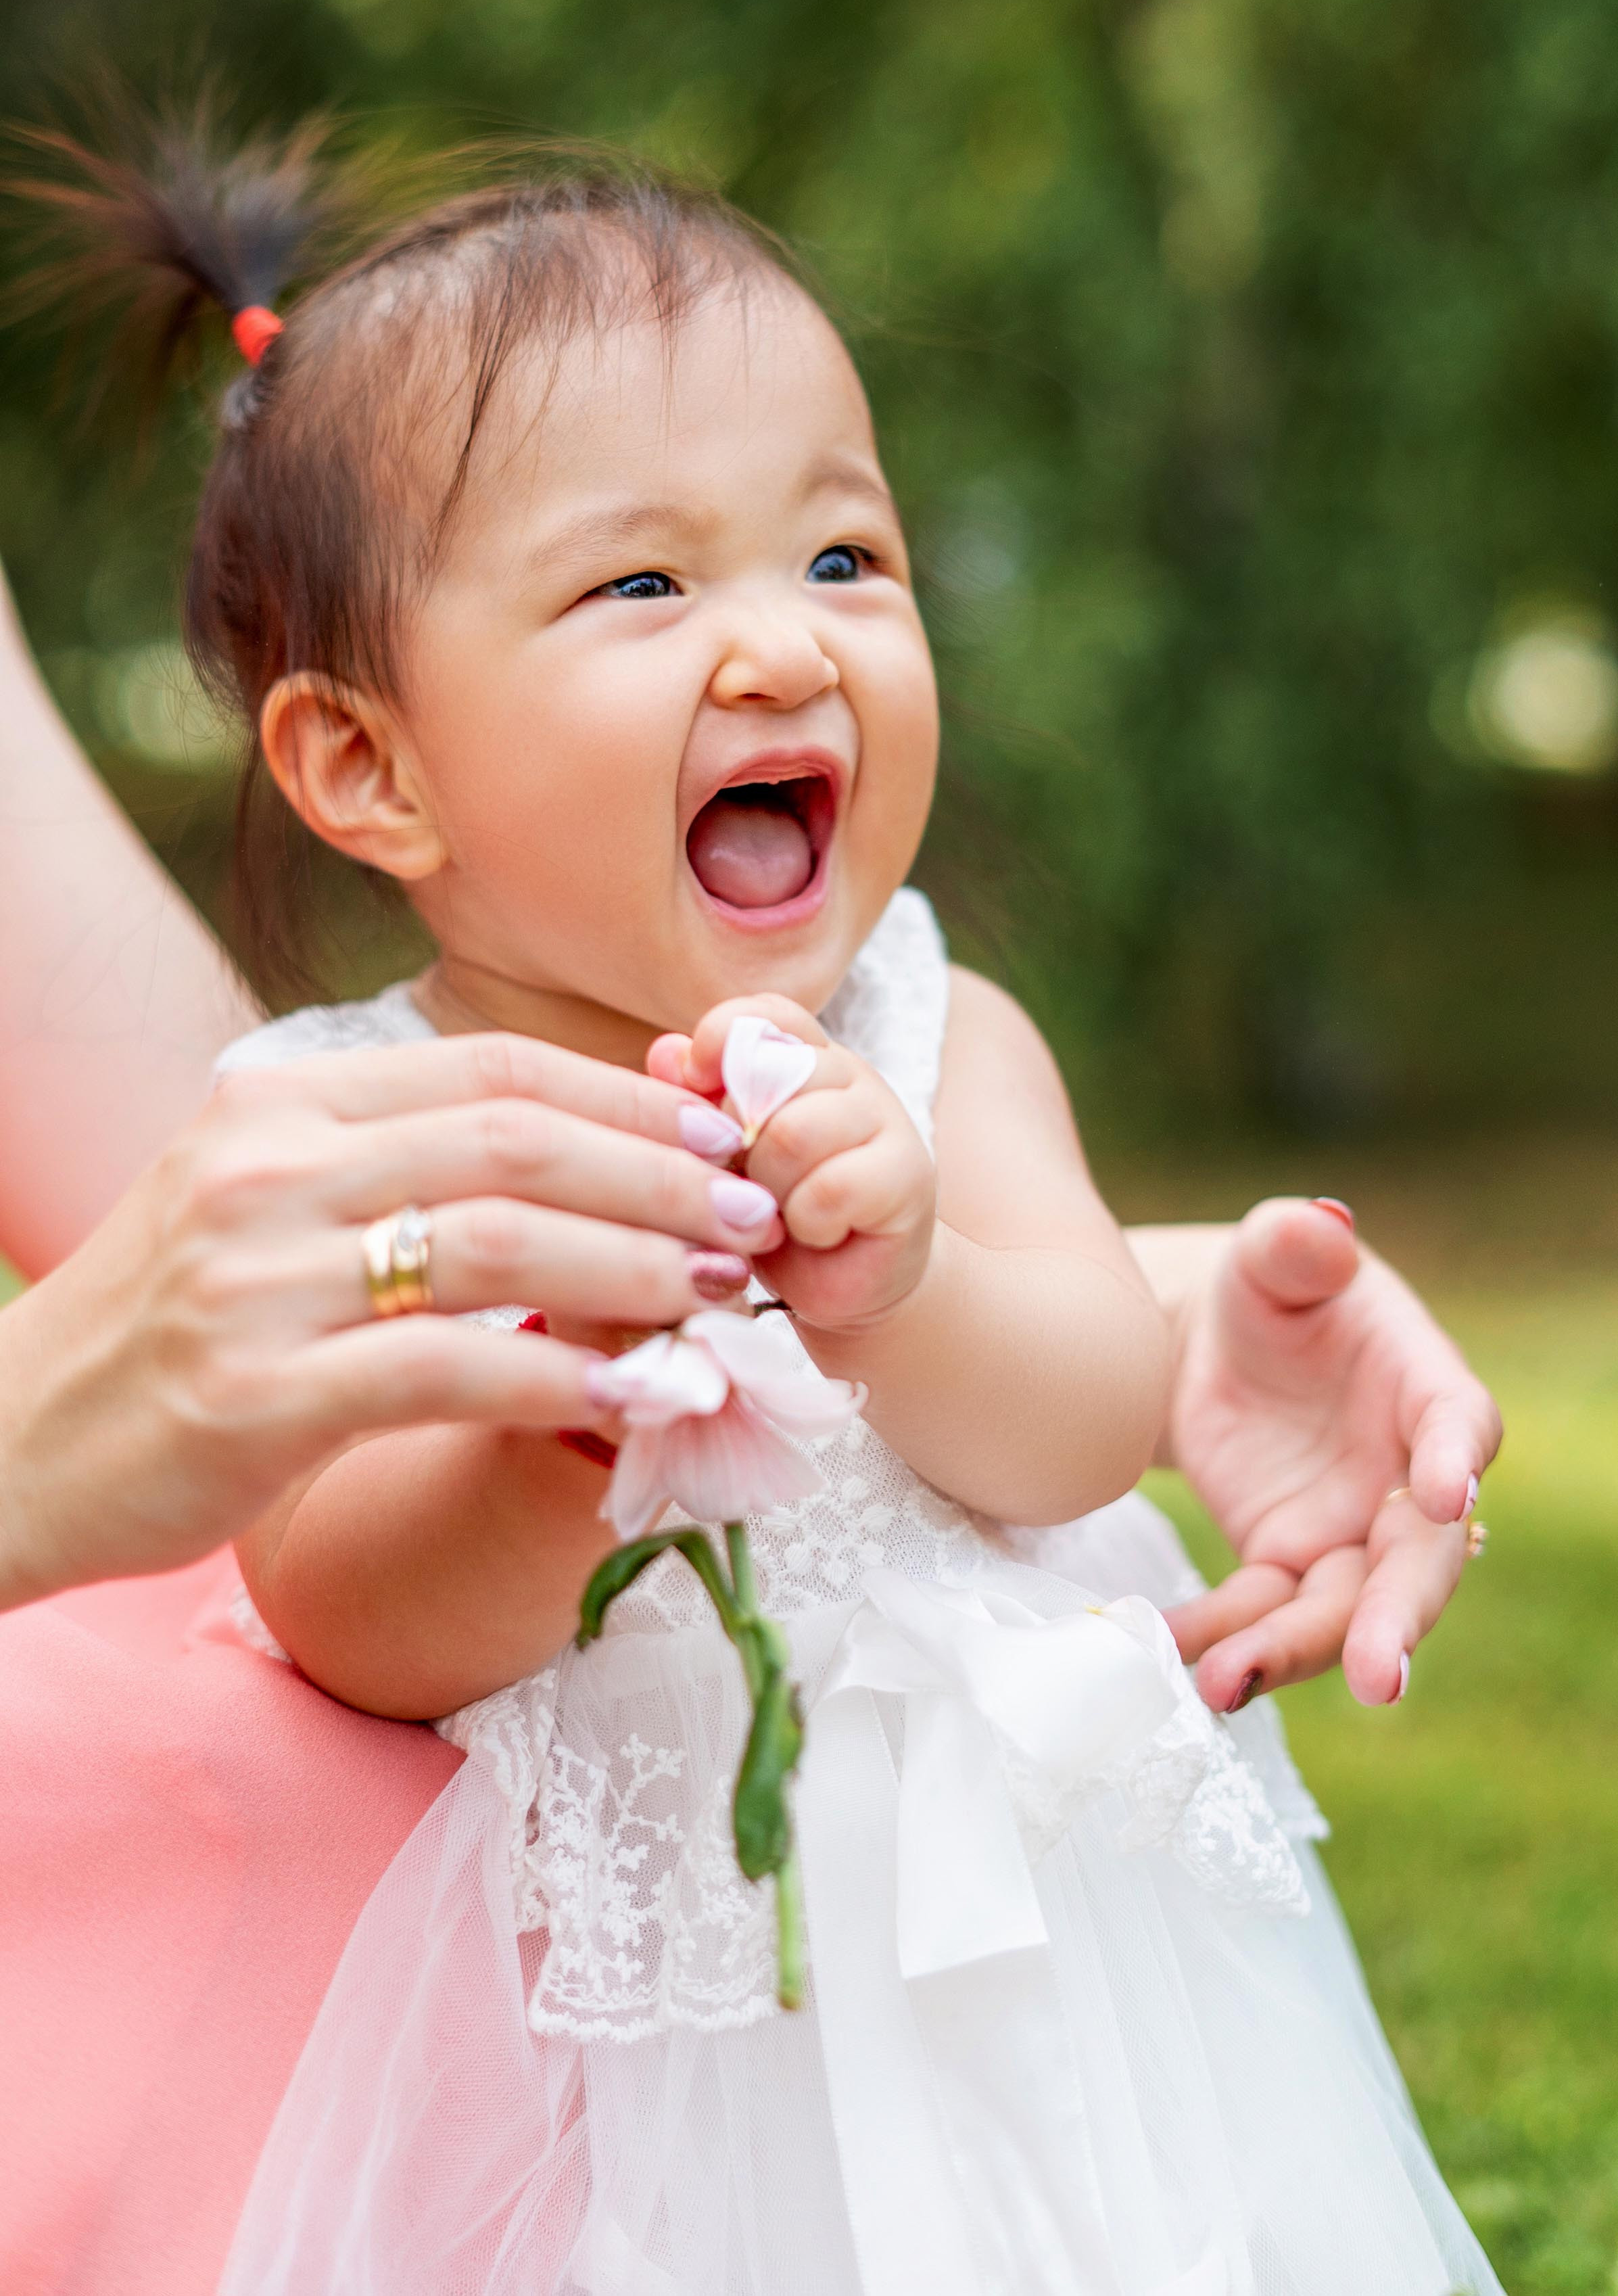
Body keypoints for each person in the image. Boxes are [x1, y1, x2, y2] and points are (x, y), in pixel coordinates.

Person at [0, 130, 1500, 2293]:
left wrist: (913, 1284)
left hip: (1049, 1946)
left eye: (841, 557)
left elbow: (1084, 1408)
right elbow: (332, 1605)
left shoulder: (931, 1035)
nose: (785, 649)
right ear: (369, 772)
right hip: (645, 2023)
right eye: (642, 586)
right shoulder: (350, 1129)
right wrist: (540, 1464)